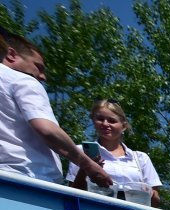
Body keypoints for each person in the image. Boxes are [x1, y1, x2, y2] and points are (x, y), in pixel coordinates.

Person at [0, 30, 111, 189]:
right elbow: (47, 129)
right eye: (38, 67)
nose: (43, 77)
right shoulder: (22, 80)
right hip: (27, 180)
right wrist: (88, 165)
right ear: (11, 54)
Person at [66, 99, 162, 206]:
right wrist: (87, 168)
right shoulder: (81, 151)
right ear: (93, 121)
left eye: (112, 120)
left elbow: (155, 200)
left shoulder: (141, 158)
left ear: (124, 126)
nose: (105, 124)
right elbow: (73, 194)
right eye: (100, 119)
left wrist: (150, 194)